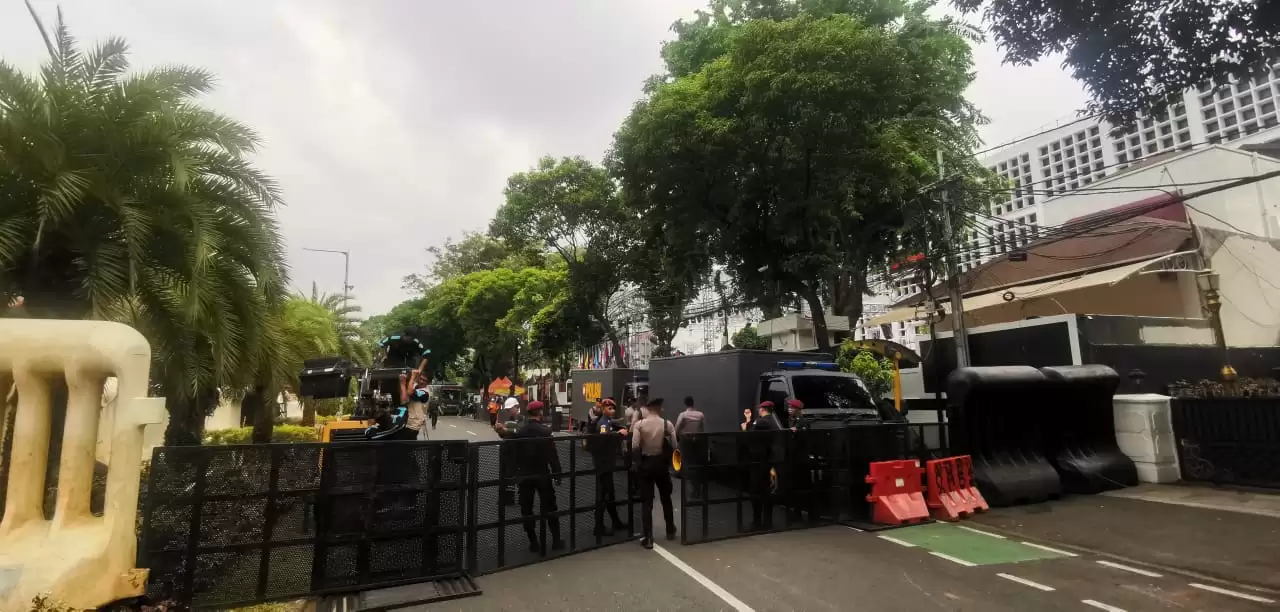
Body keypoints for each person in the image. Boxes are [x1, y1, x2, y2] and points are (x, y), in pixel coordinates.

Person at [507, 401, 564, 553]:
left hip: (525, 474)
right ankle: (556, 540)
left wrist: (514, 473)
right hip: (542, 473)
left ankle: (533, 542)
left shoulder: (521, 431)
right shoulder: (545, 431)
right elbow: (552, 455)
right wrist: (557, 472)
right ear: (540, 412)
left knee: (526, 508)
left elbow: (515, 454)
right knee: (550, 506)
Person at [630, 397, 677, 548]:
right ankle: (670, 530)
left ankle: (648, 537)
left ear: (647, 409)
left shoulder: (639, 425)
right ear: (659, 409)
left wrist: (637, 463)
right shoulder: (667, 424)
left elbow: (635, 446)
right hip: (661, 465)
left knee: (647, 502)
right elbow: (675, 445)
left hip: (646, 464)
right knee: (666, 498)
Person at [587, 399, 629, 536]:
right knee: (604, 494)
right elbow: (603, 438)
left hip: (606, 462)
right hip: (603, 463)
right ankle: (598, 527)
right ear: (603, 409)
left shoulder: (607, 421)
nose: (612, 411)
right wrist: (618, 434)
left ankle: (615, 521)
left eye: (613, 408)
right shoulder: (603, 422)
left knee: (609, 494)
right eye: (609, 408)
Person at [747, 400, 780, 531]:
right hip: (769, 459)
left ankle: (757, 523)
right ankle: (768, 522)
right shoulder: (774, 421)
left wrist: (746, 423)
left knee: (756, 492)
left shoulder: (761, 422)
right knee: (767, 491)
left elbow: (749, 434)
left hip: (759, 460)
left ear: (762, 409)